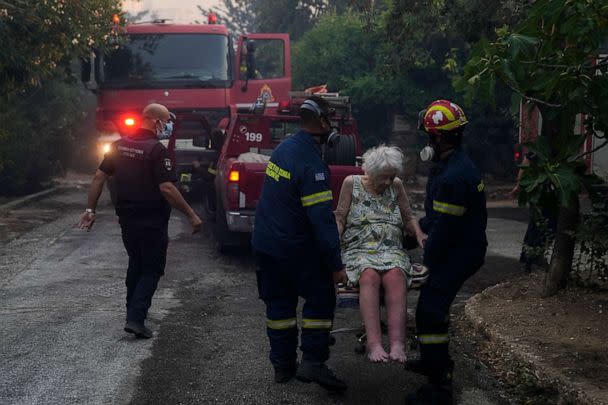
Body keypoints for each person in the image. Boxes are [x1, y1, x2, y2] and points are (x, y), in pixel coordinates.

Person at [78, 103, 202, 339]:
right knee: (152, 268)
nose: (168, 126)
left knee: (136, 262)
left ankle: (131, 314)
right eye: (166, 121)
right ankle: (136, 318)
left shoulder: (118, 146)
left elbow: (98, 177)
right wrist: (191, 214)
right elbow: (166, 187)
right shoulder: (157, 151)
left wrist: (90, 210)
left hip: (127, 220)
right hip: (152, 220)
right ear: (155, 121)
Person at [251, 96, 348, 391]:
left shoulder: (284, 149)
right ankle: (314, 362)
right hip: (294, 248)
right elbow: (322, 220)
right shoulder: (312, 165)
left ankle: (283, 366)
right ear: (322, 123)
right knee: (321, 297)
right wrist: (335, 265)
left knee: (279, 305)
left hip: (266, 245)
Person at [405, 100, 487, 404]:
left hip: (459, 252)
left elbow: (443, 232)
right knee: (430, 307)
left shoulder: (454, 177)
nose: (427, 141)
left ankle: (440, 386)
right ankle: (431, 360)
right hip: (457, 244)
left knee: (429, 311)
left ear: (439, 138)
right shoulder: (450, 166)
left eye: (429, 135)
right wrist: (412, 233)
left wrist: (424, 263)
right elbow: (436, 218)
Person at [334, 145, 426, 364]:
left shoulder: (396, 185)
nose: (388, 182)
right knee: (369, 275)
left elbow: (408, 217)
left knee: (396, 275)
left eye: (391, 177)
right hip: (360, 248)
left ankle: (397, 344)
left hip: (391, 248)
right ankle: (374, 344)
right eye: (384, 177)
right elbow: (340, 217)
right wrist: (332, 244)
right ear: (371, 172)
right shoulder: (351, 183)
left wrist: (419, 233)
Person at [509, 153, 557, 272]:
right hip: (540, 194)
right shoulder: (540, 150)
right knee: (540, 226)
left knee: (540, 226)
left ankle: (531, 258)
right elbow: (526, 163)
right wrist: (519, 186)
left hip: (547, 195)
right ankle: (533, 258)